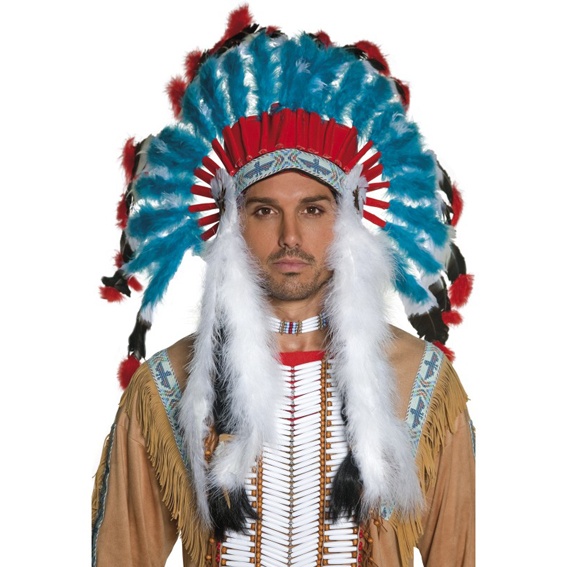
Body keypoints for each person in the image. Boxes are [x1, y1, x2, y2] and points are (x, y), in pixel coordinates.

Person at [92, 6, 475, 567]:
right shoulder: (167, 389)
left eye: (314, 209)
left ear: (347, 224)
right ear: (230, 225)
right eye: (265, 210)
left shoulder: (424, 383)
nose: (290, 236)